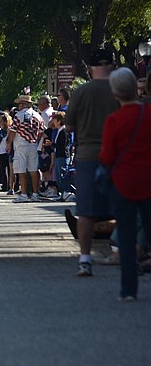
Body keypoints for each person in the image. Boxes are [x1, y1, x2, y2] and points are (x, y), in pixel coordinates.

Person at [65, 48, 121, 277]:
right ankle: (121, 251)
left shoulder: (80, 92)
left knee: (86, 211)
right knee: (123, 207)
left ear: (89, 68)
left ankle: (85, 258)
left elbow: (68, 126)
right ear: (113, 66)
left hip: (88, 155)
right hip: (118, 155)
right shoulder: (121, 91)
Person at [99, 67, 151, 301]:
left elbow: (108, 156)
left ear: (115, 93)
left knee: (127, 237)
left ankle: (129, 289)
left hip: (124, 184)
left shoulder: (114, 120)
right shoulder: (148, 114)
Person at [6, 95, 46, 202]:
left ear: (23, 104)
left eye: (19, 104)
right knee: (34, 170)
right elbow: (41, 132)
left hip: (21, 145)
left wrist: (9, 144)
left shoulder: (19, 116)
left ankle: (24, 194)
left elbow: (13, 132)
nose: (18, 106)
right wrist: (36, 142)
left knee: (21, 170)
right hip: (33, 145)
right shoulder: (38, 116)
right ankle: (35, 193)